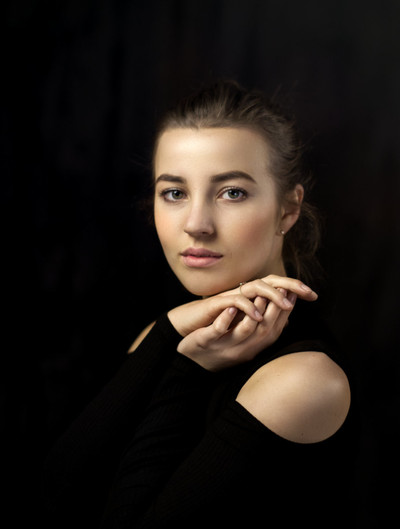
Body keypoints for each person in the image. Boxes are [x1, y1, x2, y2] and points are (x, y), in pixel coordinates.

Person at [42, 80, 356, 528]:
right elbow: (54, 496)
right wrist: (168, 332)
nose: (196, 224)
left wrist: (190, 369)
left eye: (232, 193)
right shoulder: (165, 334)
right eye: (175, 193)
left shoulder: (302, 381)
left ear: (288, 210)